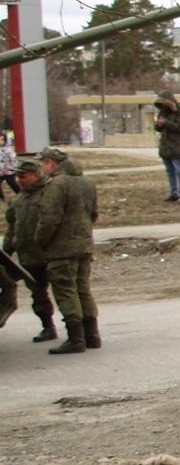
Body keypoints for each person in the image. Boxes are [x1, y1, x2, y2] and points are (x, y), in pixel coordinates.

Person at [26, 146, 97, 353]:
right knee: (83, 290)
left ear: (51, 163)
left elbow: (49, 218)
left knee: (66, 292)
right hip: (84, 245)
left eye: (43, 163)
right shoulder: (86, 182)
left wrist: (41, 241)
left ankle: (76, 339)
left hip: (62, 248)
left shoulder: (57, 184)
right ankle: (92, 335)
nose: (41, 168)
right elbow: (93, 213)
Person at [2, 158, 53, 340]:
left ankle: (76, 330)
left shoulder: (49, 194)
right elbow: (11, 229)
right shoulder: (19, 200)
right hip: (28, 257)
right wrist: (6, 253)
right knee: (38, 294)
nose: (19, 180)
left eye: (23, 176)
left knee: (65, 293)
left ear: (36, 175)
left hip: (51, 255)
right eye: (17, 176)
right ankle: (48, 327)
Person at [152, 90, 180, 204]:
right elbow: (158, 128)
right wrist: (158, 125)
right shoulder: (162, 112)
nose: (163, 106)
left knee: (179, 171)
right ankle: (174, 193)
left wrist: (166, 123)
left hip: (176, 146)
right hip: (165, 146)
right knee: (170, 171)